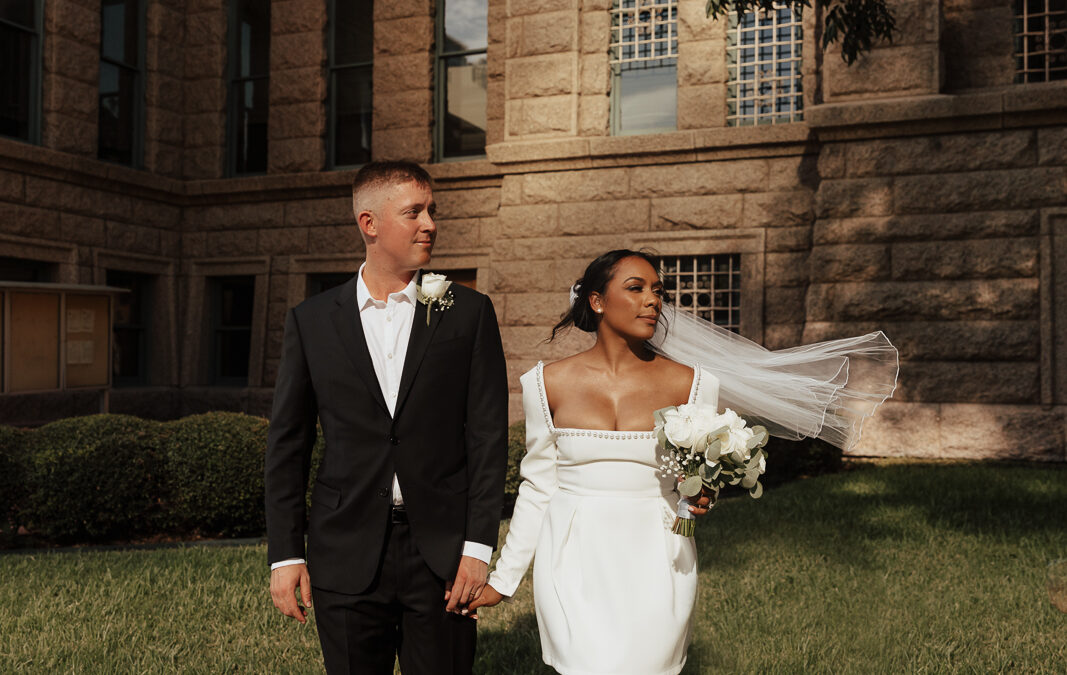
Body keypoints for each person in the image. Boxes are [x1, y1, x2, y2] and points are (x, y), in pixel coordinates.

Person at [264, 161, 509, 675]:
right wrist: (286, 555)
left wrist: (477, 548)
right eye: (414, 212)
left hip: (442, 556)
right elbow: (288, 445)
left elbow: (487, 438)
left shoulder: (468, 313)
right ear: (369, 223)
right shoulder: (311, 322)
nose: (430, 224)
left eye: (432, 211)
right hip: (345, 550)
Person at [470, 249, 716, 675]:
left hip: (658, 557)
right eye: (635, 288)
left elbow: (692, 486)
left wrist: (701, 497)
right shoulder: (546, 382)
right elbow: (538, 486)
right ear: (597, 301)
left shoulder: (693, 383)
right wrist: (503, 581)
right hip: (572, 556)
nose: (652, 300)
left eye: (657, 291)